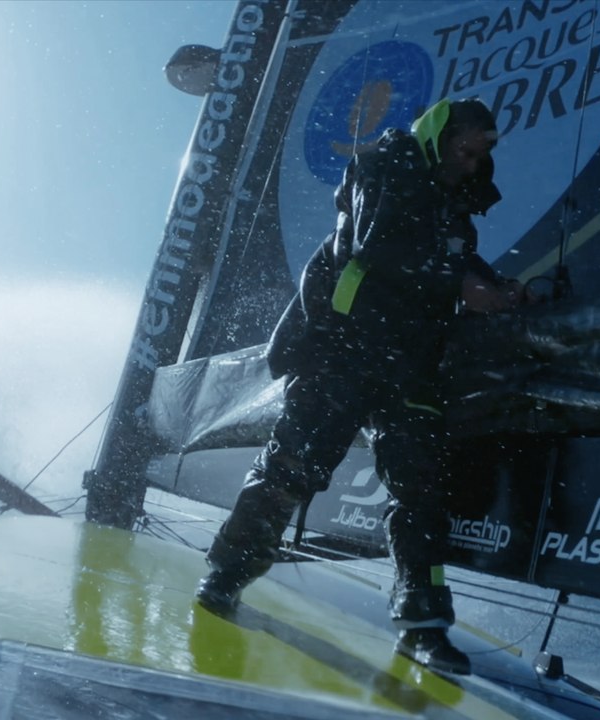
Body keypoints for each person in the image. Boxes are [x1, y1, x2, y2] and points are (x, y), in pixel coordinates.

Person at [195, 97, 517, 675]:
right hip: (342, 348)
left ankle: (424, 627)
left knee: (421, 491)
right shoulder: (382, 165)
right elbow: (376, 242)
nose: (472, 167)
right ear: (439, 137)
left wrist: (511, 288)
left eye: (481, 157)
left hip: (409, 367)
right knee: (292, 466)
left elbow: (462, 263)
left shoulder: (455, 212)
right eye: (467, 152)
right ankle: (225, 575)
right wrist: (461, 280)